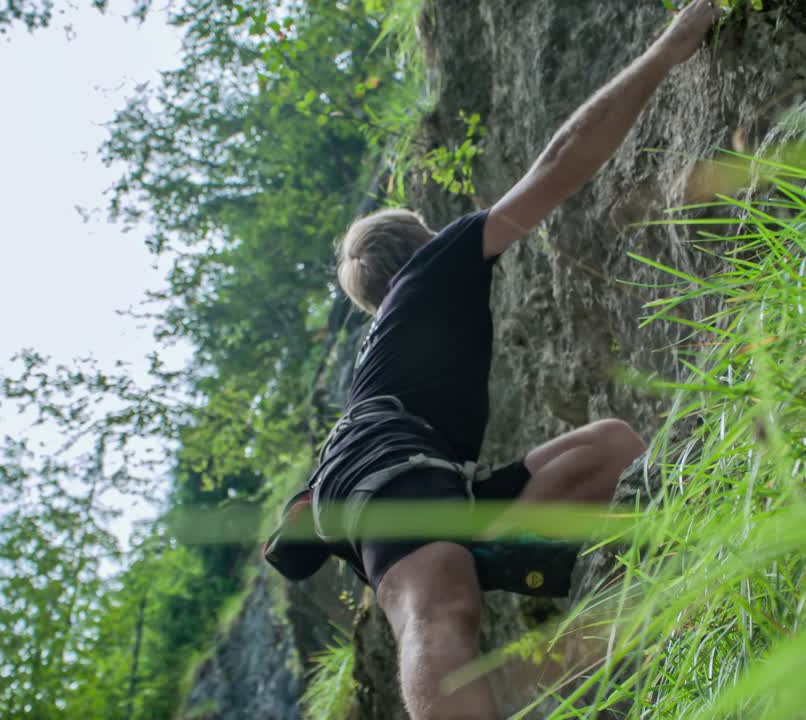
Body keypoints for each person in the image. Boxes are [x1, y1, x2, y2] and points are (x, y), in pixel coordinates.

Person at [265, 2, 721, 717]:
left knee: (612, 449)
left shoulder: (395, 334)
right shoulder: (434, 266)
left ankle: (626, 595)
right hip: (390, 475)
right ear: (424, 238)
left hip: (420, 487)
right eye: (436, 230)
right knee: (438, 605)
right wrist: (668, 49)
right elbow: (561, 157)